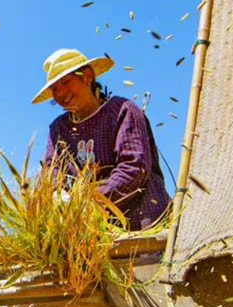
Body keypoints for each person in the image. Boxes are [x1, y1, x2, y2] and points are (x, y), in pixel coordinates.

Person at [33, 48, 170, 230]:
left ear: (87, 77)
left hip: (142, 220)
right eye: (55, 88)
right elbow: (52, 171)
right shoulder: (59, 129)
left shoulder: (122, 111)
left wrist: (90, 203)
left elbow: (134, 167)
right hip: (94, 230)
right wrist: (57, 196)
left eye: (65, 82)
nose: (61, 93)